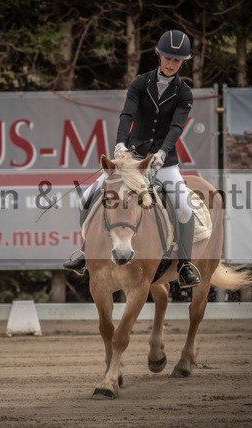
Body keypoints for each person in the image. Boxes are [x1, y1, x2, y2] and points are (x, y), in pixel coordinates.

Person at [63, 29, 201, 287]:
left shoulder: (184, 93)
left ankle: (184, 265)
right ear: (159, 55)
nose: (171, 64)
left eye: (177, 60)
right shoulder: (140, 83)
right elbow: (127, 115)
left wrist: (162, 152)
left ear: (183, 62)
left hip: (164, 162)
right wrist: (120, 145)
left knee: (183, 207)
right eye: (168, 58)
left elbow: (176, 127)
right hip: (132, 159)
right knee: (86, 197)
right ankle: (84, 251)